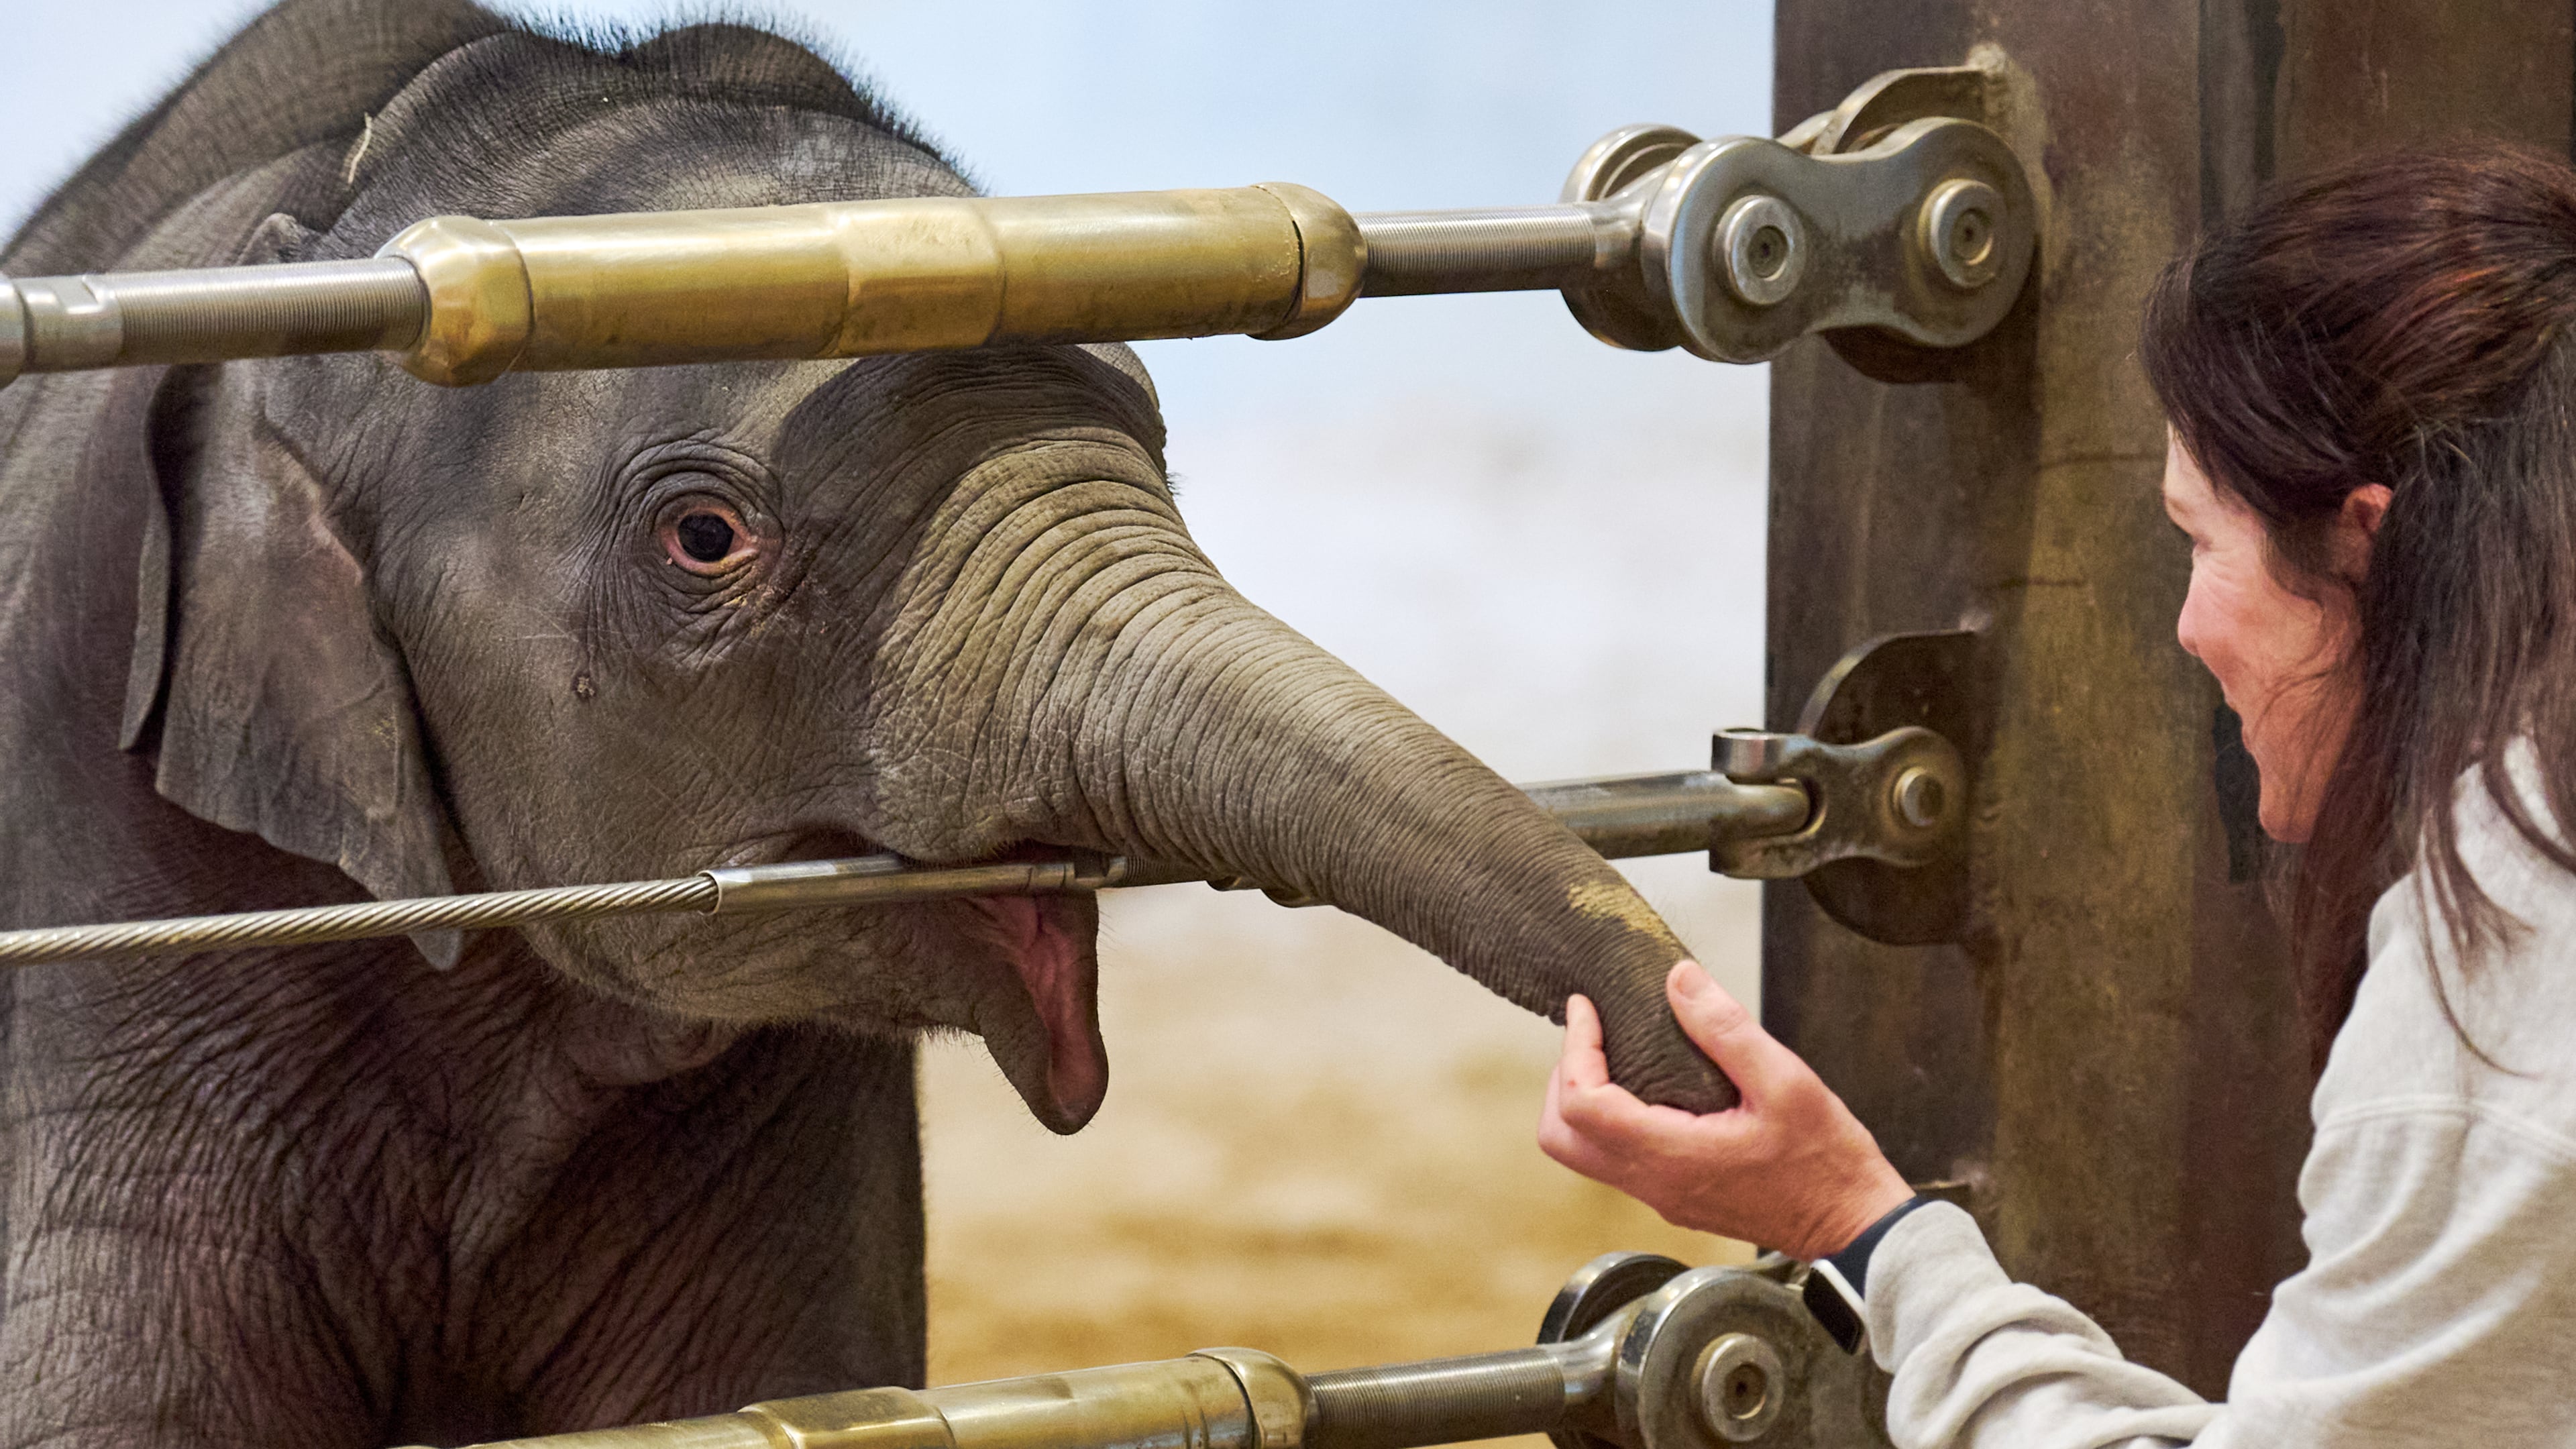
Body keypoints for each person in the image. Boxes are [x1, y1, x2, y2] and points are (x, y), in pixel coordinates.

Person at [1540, 144, 2576, 1445]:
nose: (2189, 630)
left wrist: (1856, 1227)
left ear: (2364, 540)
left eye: (2203, 544)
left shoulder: (2498, 968)